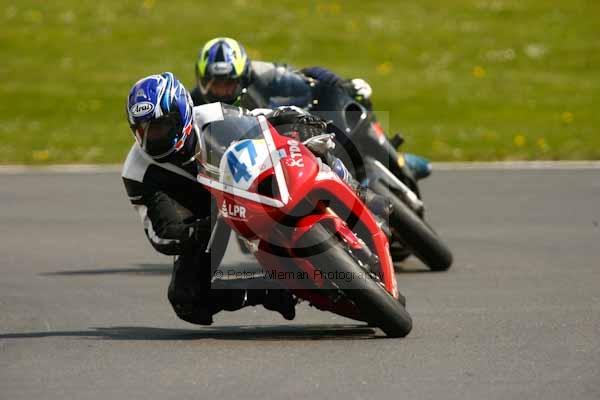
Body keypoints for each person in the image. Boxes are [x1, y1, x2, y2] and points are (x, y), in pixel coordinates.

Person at [122, 72, 298, 326]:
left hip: (256, 187)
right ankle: (270, 292)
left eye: (160, 127)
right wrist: (202, 229)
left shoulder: (214, 116)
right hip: (211, 222)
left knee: (308, 140)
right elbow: (163, 233)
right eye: (143, 130)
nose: (152, 137)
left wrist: (292, 118)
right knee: (186, 299)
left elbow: (262, 120)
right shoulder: (137, 171)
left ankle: (354, 189)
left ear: (181, 116)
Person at [191, 37, 431, 180]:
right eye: (215, 84)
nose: (222, 91)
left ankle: (395, 159)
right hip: (248, 161)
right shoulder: (195, 104)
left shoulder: (264, 75)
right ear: (202, 80)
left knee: (355, 101)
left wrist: (340, 85)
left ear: (243, 77)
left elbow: (308, 77)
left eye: (228, 83)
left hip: (289, 131)